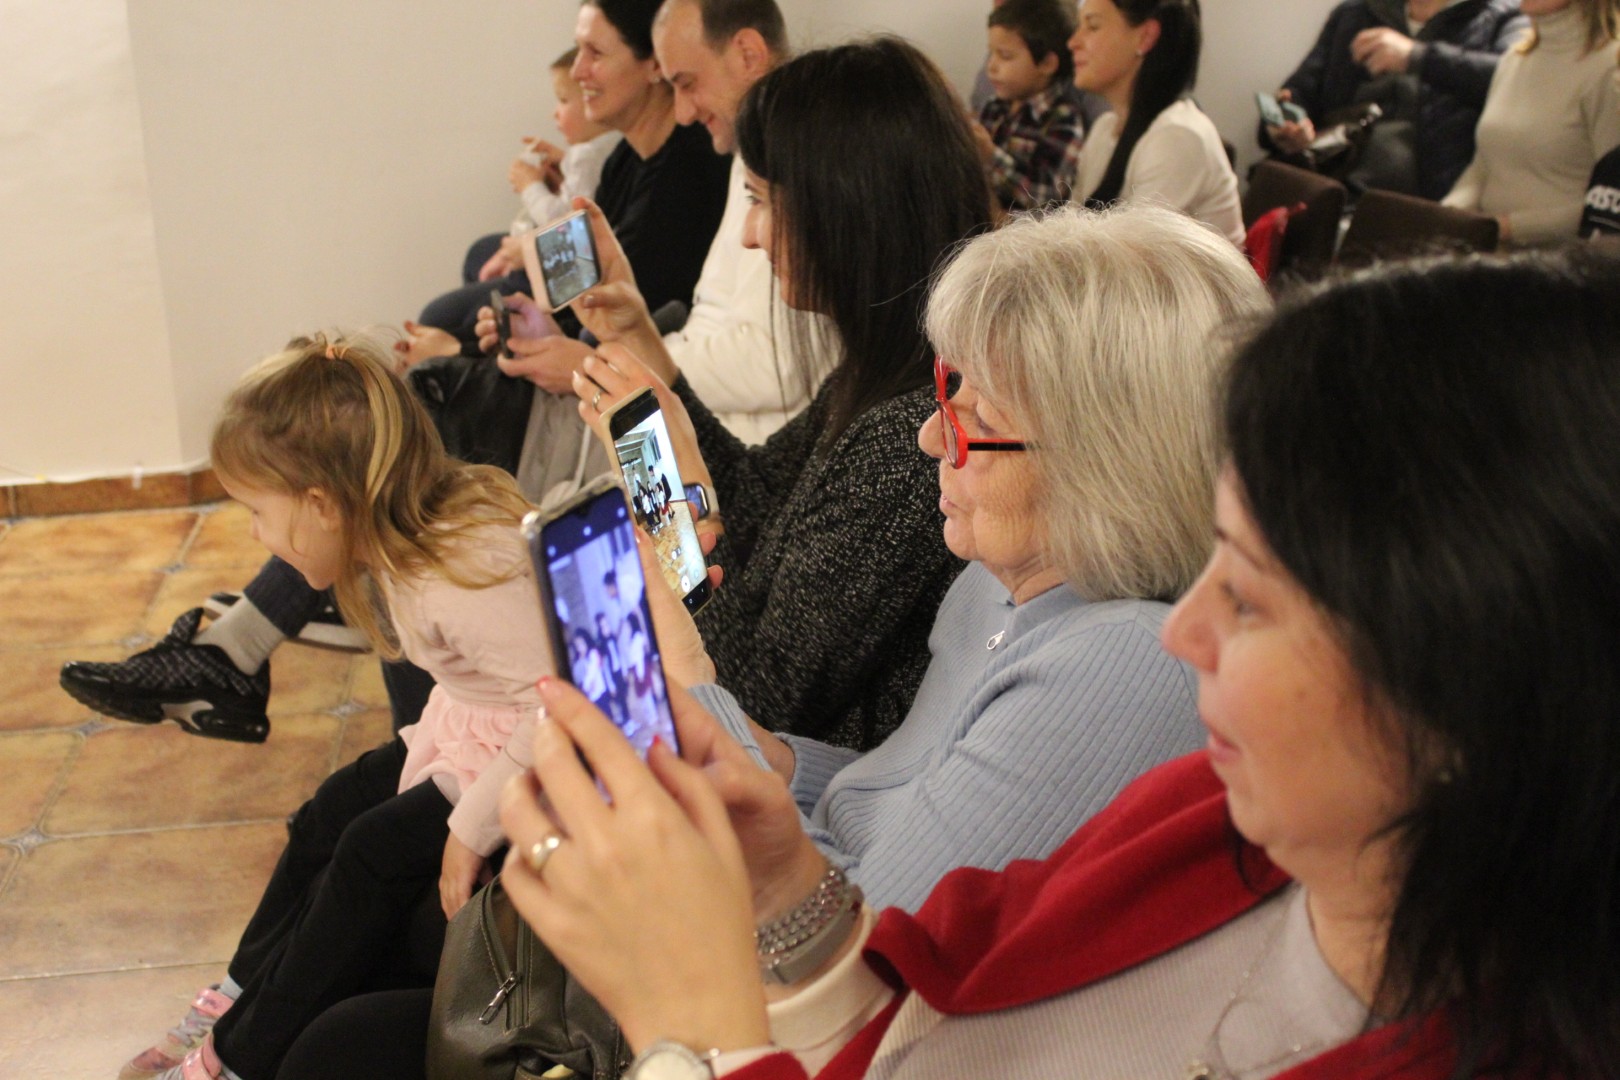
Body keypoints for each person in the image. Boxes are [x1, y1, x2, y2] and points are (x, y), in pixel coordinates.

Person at [502, 246, 1620, 1079]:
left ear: (1466, 685)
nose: (1183, 632)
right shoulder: (1208, 821)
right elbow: (916, 992)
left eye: (1250, 596)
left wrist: (686, 1022)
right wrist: (782, 887)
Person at [270, 202, 1267, 1080]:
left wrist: (692, 675)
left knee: (356, 1027)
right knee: (367, 985)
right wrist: (778, 762)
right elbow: (893, 790)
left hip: (787, 1019)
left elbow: (854, 964)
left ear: (1105, 462)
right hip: (765, 947)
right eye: (945, 393)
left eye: (972, 419)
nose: (933, 436)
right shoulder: (994, 590)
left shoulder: (1122, 666)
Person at [496, 37, 995, 750]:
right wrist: (640, 341)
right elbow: (764, 498)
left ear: (848, 207)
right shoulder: (885, 368)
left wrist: (668, 486)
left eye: (762, 202)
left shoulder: (912, 436)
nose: (753, 237)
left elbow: (748, 698)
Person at [113, 335, 551, 1080]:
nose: (255, 533)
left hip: (532, 754)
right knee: (331, 811)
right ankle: (237, 994)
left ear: (322, 505)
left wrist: (471, 827)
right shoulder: (407, 549)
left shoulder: (455, 575)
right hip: (478, 731)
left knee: (369, 852)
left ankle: (237, 1057)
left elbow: (558, 706)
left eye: (258, 511)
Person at [415, 0, 731, 357]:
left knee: (438, 322)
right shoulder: (626, 156)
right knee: (477, 265)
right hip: (579, 329)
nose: (578, 71)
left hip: (606, 359)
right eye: (579, 50)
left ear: (654, 64)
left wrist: (457, 349)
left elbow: (593, 316)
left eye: (595, 53)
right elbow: (574, 278)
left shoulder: (684, 178)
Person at [1260, 0, 1527, 201]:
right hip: (1334, 190)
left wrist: (1418, 57)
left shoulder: (1504, 16)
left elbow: (1514, 80)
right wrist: (1284, 126)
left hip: (1428, 207)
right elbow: (1299, 93)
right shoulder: (1356, 13)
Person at [1060, 0, 1243, 246]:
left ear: (1145, 37)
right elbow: (1071, 230)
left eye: (1092, 26)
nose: (1073, 42)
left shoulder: (1176, 137)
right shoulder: (1106, 128)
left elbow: (1128, 259)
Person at [1443, 0, 1620, 246]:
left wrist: (1507, 227)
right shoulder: (1514, 58)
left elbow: (1610, 201)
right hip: (1492, 250)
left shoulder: (1610, 68)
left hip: (1560, 259)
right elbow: (1484, 165)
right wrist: (1446, 215)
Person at [971, 0, 1088, 210]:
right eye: (991, 53)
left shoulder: (1063, 119)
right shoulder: (993, 107)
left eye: (1005, 56)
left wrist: (990, 156)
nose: (991, 66)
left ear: (1047, 64)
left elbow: (1047, 194)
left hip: (1023, 228)